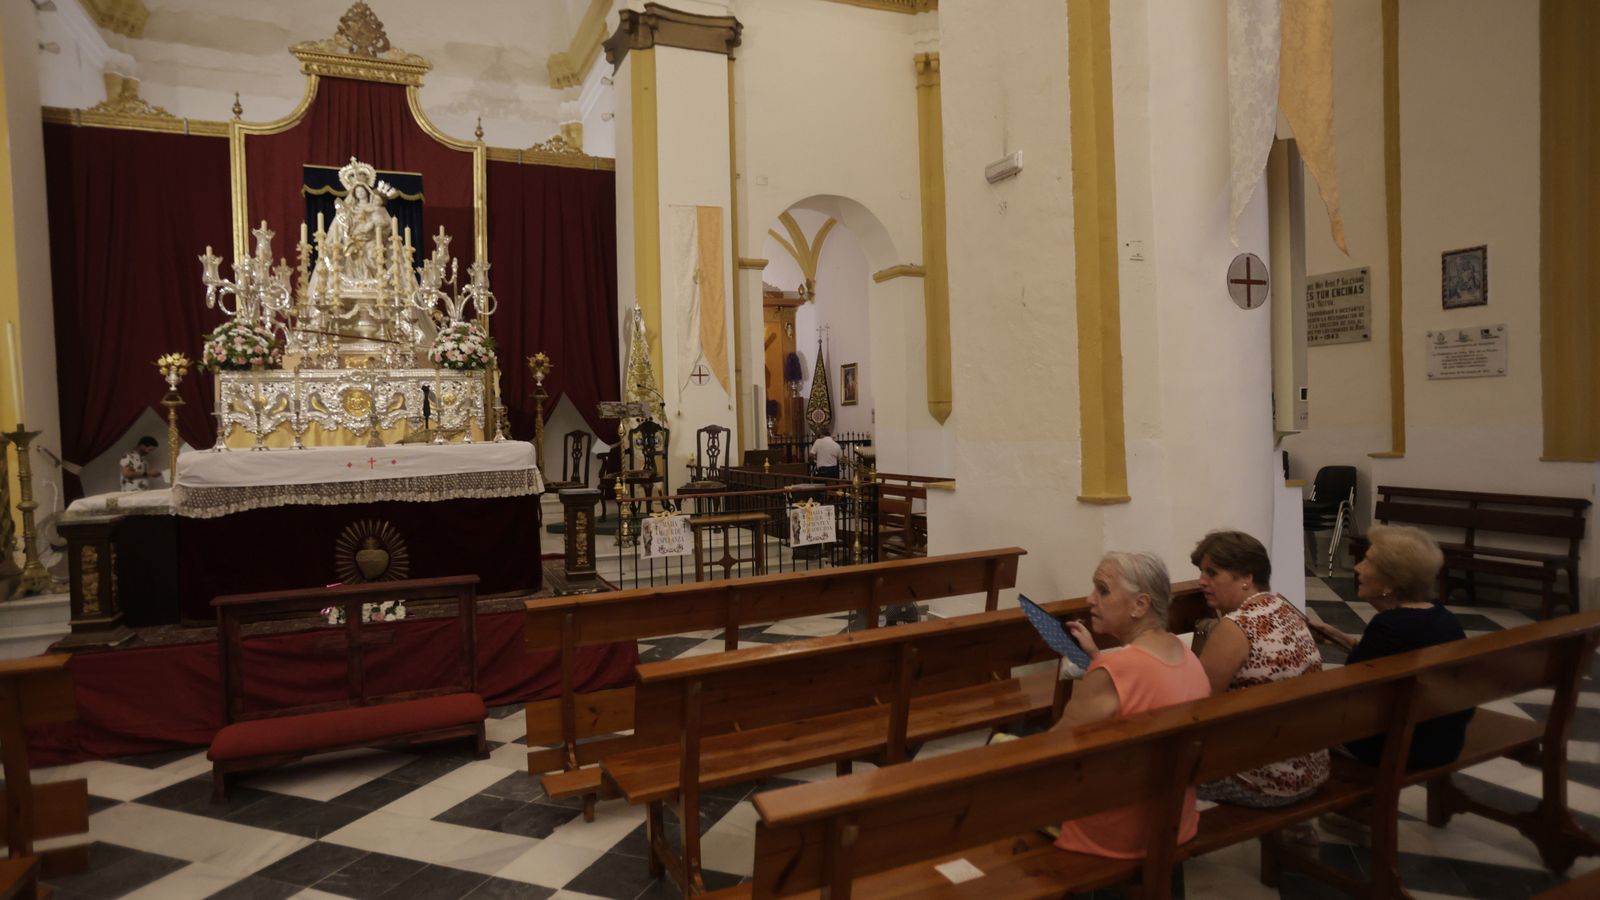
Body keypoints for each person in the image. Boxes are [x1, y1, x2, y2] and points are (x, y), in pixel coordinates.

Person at [1053, 551, 1210, 859]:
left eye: (1103, 590)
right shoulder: (1185, 654)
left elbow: (1053, 749)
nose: (1090, 598)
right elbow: (1141, 686)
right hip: (1175, 821)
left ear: (1140, 604)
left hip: (1115, 834)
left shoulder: (1114, 672)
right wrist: (1098, 659)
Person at [1190, 530, 1329, 846]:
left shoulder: (1236, 626)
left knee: (1151, 769)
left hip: (1265, 780)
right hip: (1311, 768)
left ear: (1246, 579)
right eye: (1201, 571)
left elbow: (1195, 709)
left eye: (1212, 572)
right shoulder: (1285, 608)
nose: (1201, 580)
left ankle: (1150, 849)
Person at [1309, 524, 1471, 770]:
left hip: (1399, 746)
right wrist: (1344, 640)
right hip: (1442, 738)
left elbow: (1350, 695)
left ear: (1392, 582)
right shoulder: (1442, 617)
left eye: (1367, 561)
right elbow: (1391, 659)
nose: (1357, 568)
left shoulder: (1389, 627)